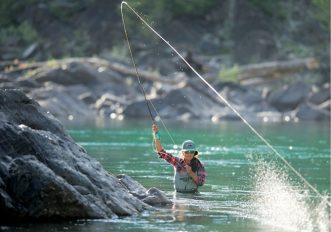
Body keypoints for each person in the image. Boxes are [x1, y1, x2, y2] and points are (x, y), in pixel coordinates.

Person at [152, 123, 206, 193]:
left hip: (194, 195)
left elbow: (201, 183)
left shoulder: (199, 165)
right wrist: (156, 134)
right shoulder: (177, 162)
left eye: (191, 152)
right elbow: (161, 152)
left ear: (194, 153)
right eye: (187, 152)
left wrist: (191, 173)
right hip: (178, 195)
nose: (189, 154)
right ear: (183, 153)